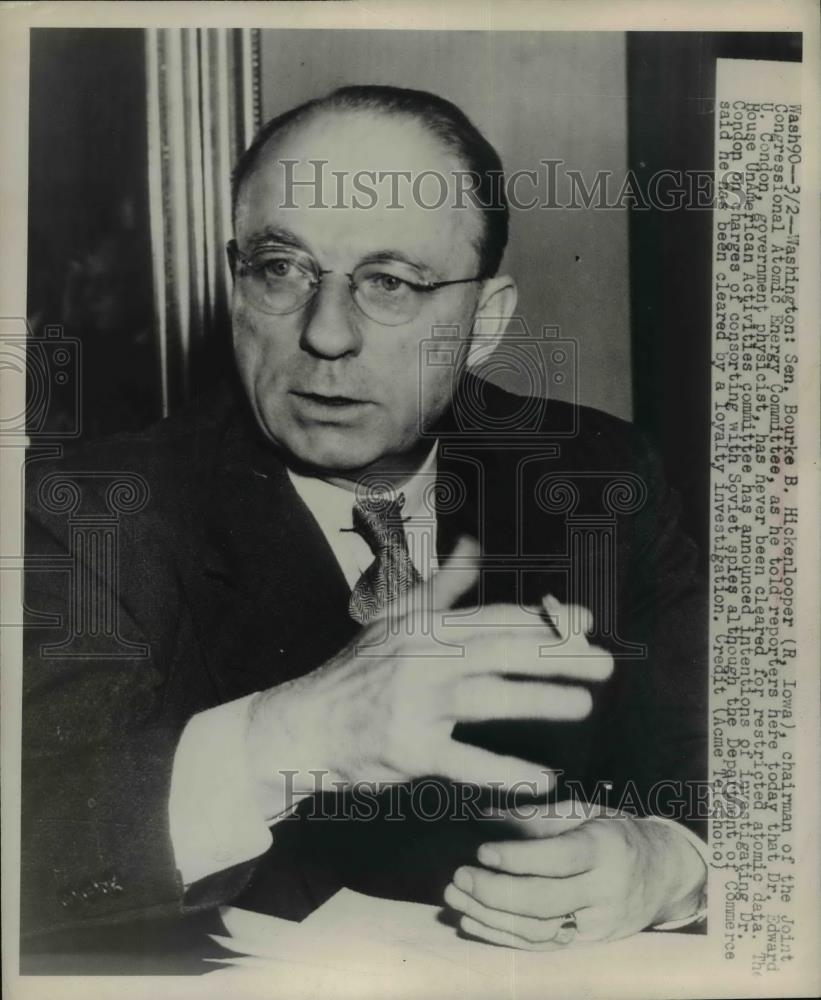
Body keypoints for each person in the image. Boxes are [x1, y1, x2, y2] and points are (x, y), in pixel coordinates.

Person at [22, 85, 708, 971]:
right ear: (234, 284)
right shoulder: (89, 512)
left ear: (483, 323)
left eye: (389, 282)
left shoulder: (594, 476)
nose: (327, 333)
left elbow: (735, 771)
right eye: (281, 269)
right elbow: (31, 834)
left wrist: (670, 862)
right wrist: (287, 733)